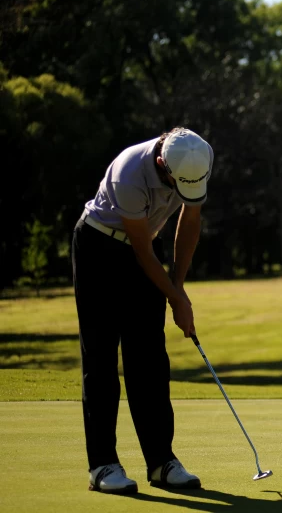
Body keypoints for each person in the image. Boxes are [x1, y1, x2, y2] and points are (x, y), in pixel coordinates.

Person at [72, 128, 213, 494]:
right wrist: (175, 299)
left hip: (146, 243)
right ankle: (102, 465)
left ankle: (161, 462)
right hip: (100, 248)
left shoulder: (197, 158)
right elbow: (140, 252)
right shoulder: (129, 172)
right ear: (164, 164)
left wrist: (178, 288)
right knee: (102, 357)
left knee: (149, 358)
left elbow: (191, 221)